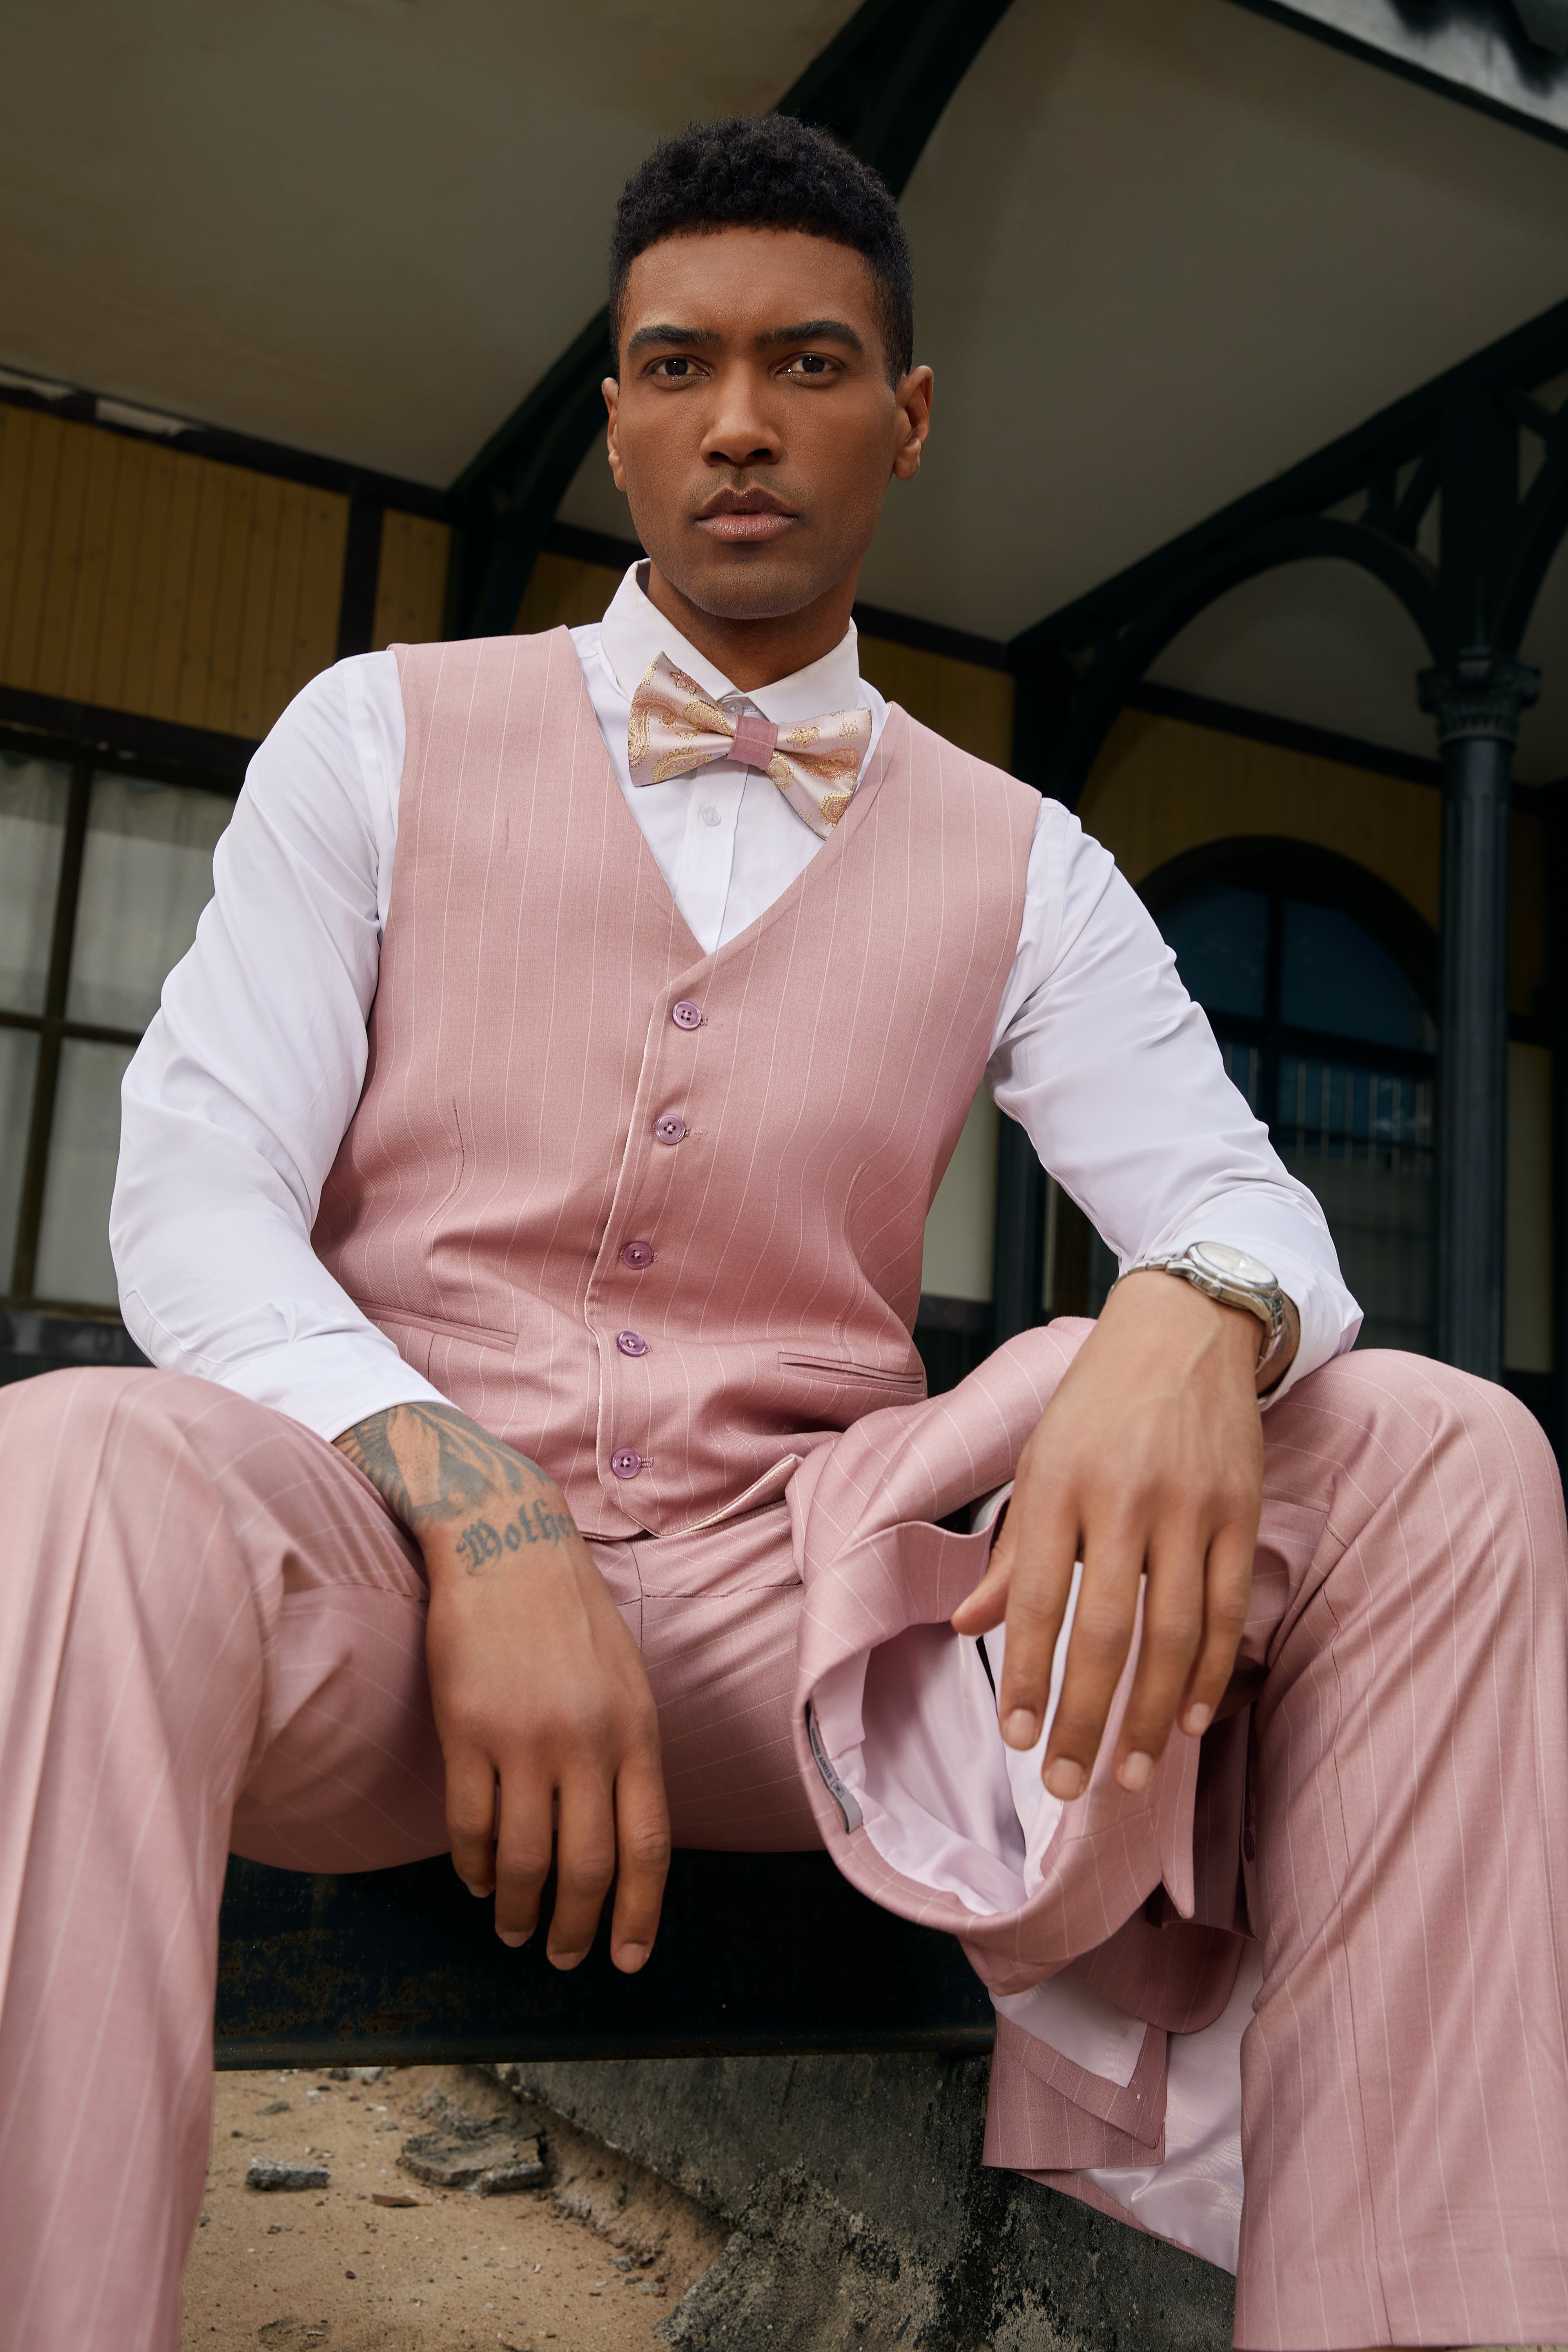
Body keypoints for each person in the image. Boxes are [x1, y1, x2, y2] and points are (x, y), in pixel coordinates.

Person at [0, 113, 1563, 2352]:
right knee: (63, 1466)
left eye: (808, 364)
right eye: (682, 365)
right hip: (374, 1600)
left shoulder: (1024, 858)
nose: (740, 421)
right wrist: (478, 1511)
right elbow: (195, 1191)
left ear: (904, 420)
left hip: (803, 1616)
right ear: (619, 415)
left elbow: (1245, 1205)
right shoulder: (378, 734)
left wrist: (1190, 1316)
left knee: (1448, 1452)